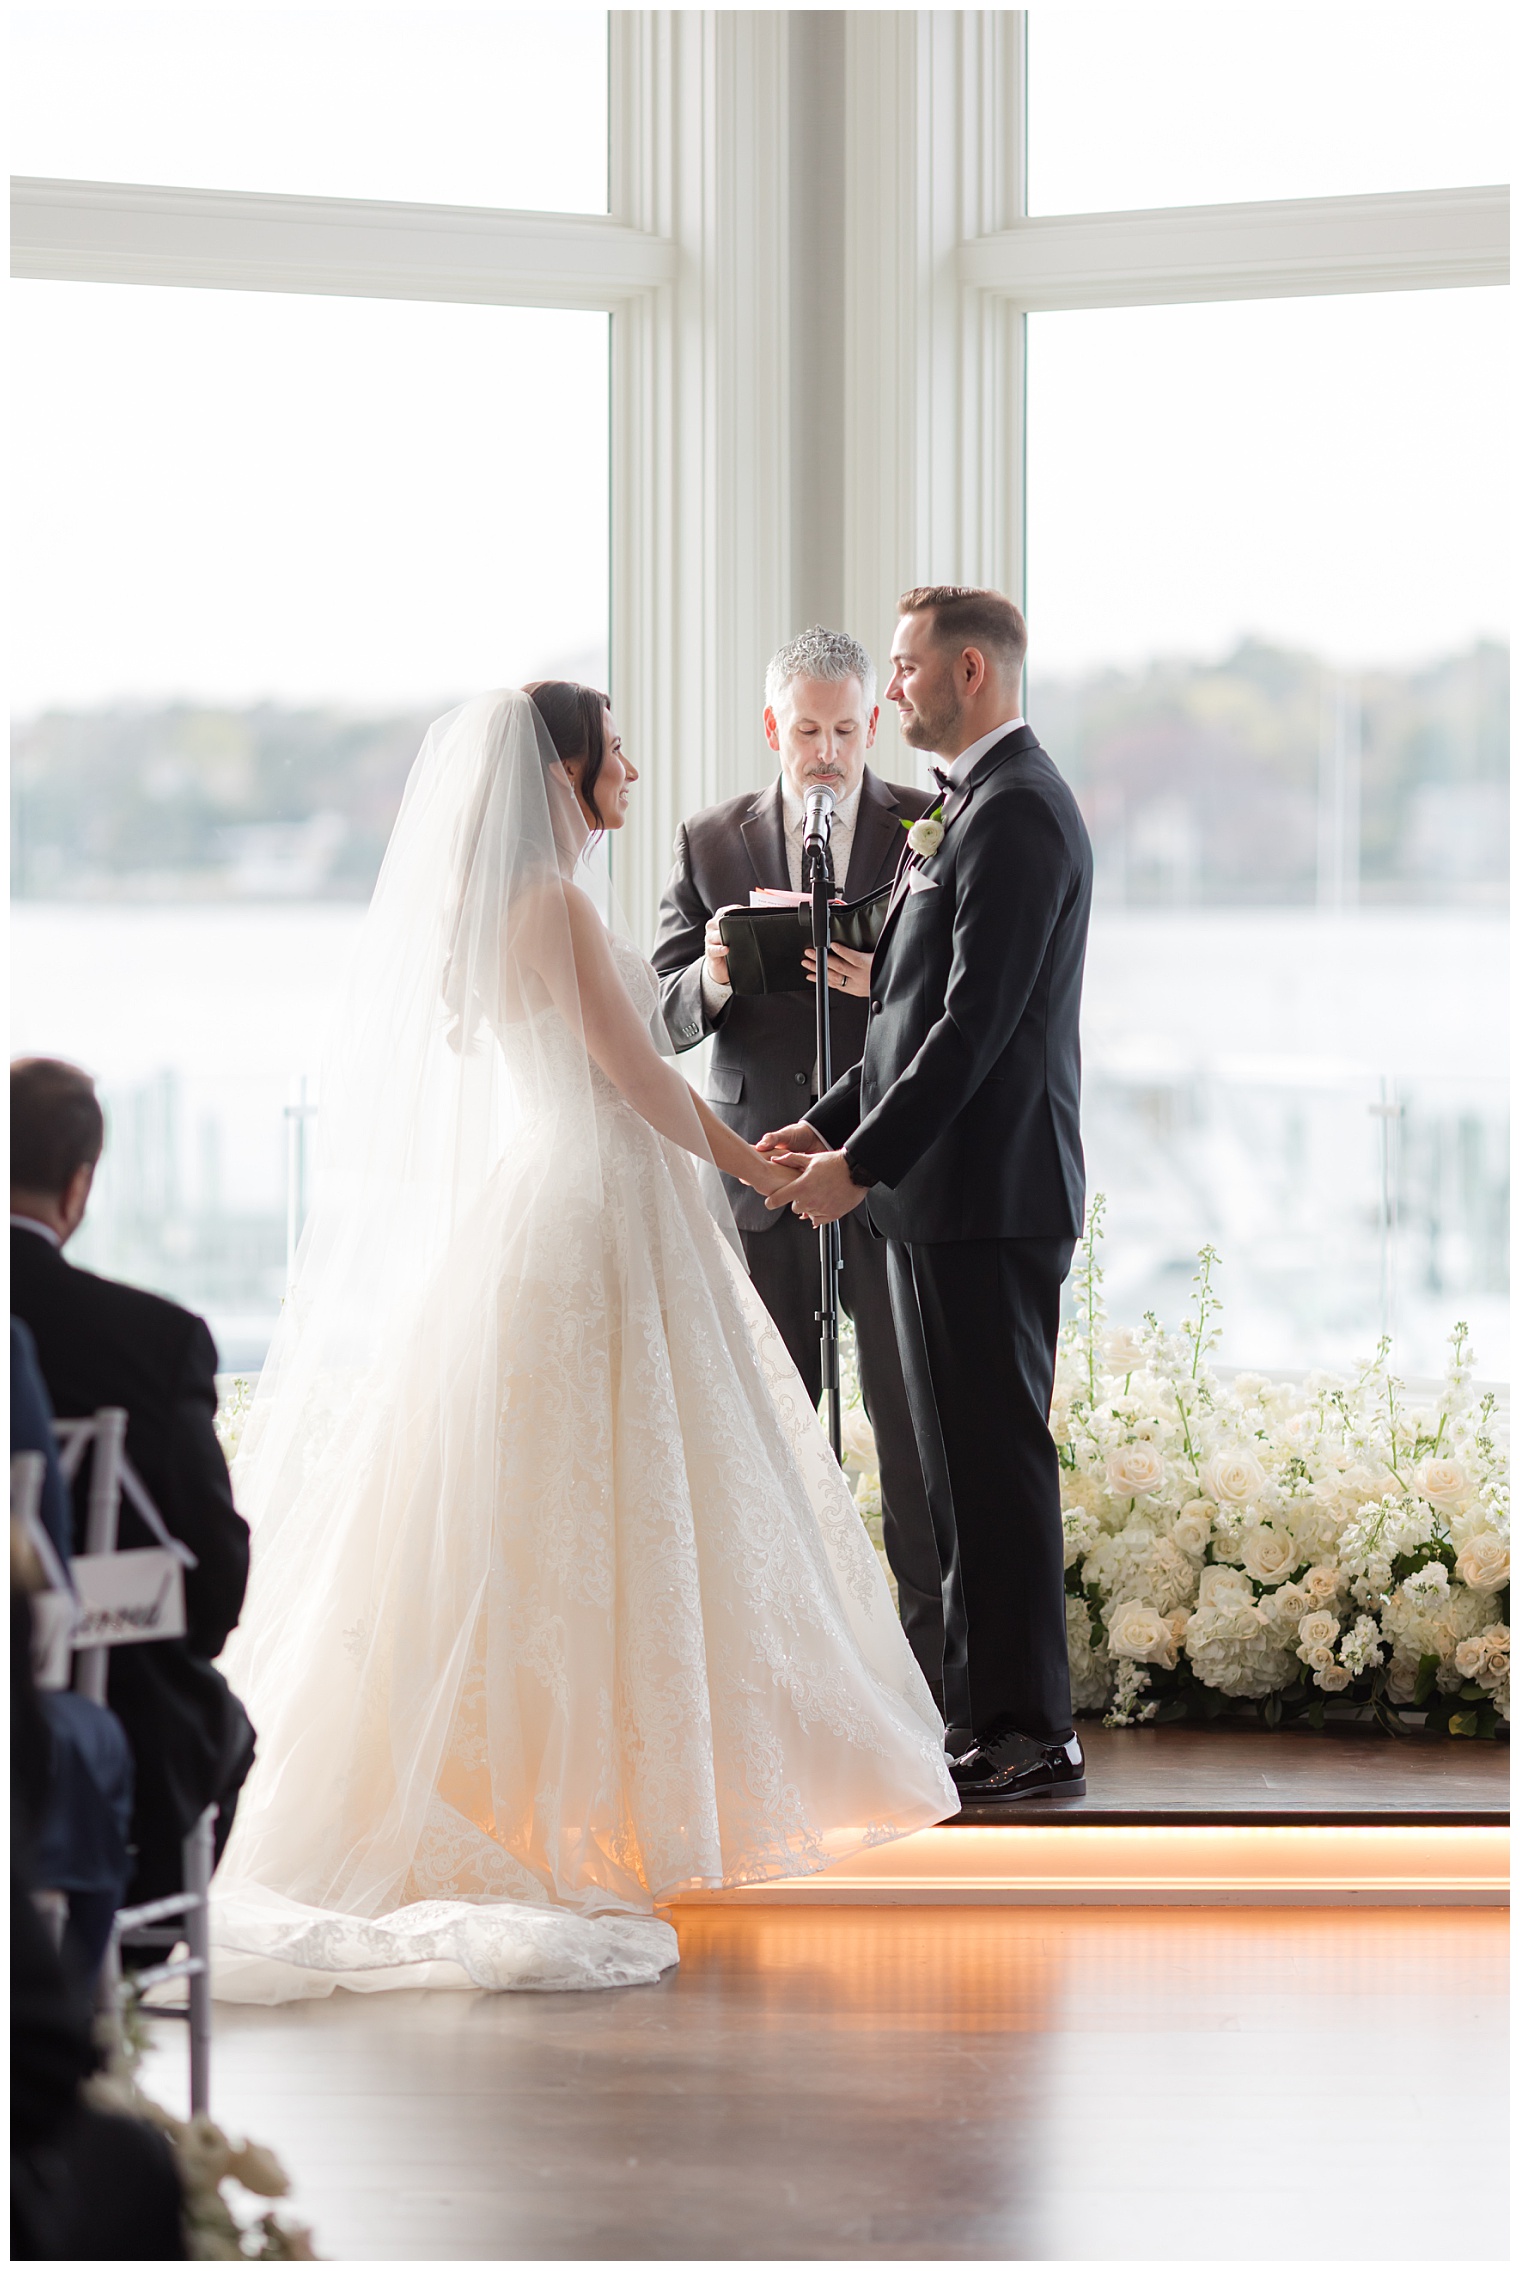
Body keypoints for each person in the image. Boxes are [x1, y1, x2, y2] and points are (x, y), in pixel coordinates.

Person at [209, 683, 956, 2002]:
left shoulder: (507, 907)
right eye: (612, 752)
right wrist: (770, 1169)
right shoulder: (549, 905)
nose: (630, 768)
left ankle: (575, 1789)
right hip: (596, 1204)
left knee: (569, 1507)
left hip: (562, 1200)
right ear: (562, 772)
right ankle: (590, 1799)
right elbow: (640, 1073)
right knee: (608, 1500)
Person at [762, 586, 1093, 1801]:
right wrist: (831, 1120)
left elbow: (972, 1031)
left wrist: (858, 1167)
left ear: (969, 673)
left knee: (993, 1467)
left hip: (988, 1201)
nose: (886, 688)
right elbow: (904, 1019)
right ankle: (972, 1716)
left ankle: (1026, 1730)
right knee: (947, 1475)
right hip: (936, 1198)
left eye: (902, 669)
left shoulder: (1018, 815)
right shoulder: (963, 812)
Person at [650, 628, 946, 1699]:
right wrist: (721, 976)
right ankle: (781, 1686)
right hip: (759, 1172)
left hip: (884, 1169)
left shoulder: (928, 826)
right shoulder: (707, 841)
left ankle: (925, 1686)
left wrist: (886, 988)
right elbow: (666, 1008)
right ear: (773, 728)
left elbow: (961, 1004)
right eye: (804, 730)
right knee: (772, 1433)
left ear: (871, 724)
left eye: (843, 730)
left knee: (908, 1434)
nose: (825, 751)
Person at [10, 1059, 256, 1901]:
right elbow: (216, 1583)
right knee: (217, 1727)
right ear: (79, 1185)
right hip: (108, 1692)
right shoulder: (152, 1340)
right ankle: (116, 1958)